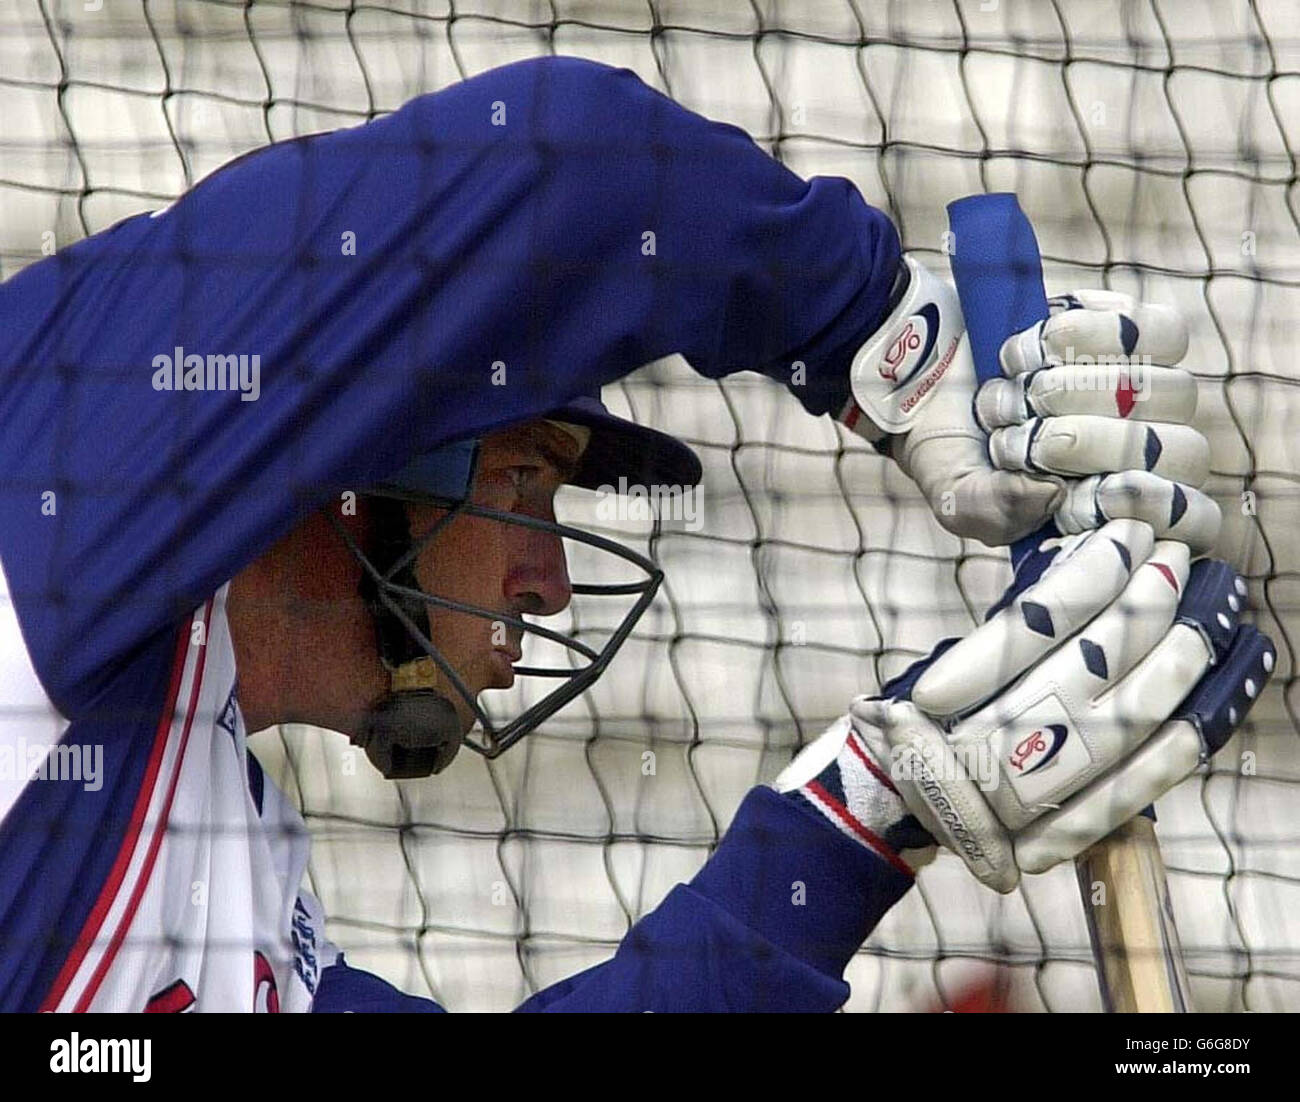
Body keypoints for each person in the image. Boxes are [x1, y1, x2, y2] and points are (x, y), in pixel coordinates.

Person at [0, 56, 1268, 1012]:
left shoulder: (223, 851)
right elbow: (579, 162)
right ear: (372, 468)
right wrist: (889, 339)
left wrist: (858, 819)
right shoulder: (77, 473)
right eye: (528, 483)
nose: (549, 585)